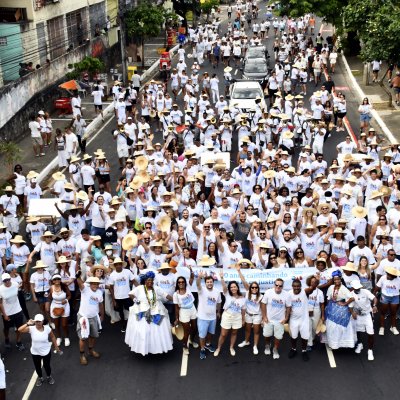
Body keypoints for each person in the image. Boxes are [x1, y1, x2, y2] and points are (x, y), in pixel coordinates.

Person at [125, 271, 173, 355]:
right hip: (142, 310)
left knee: (157, 331)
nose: (150, 282)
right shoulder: (140, 288)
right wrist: (136, 300)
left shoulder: (156, 288)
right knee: (144, 331)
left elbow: (166, 295)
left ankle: (155, 348)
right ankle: (143, 348)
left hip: (155, 310)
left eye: (151, 280)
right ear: (145, 280)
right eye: (148, 280)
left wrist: (176, 300)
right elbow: (130, 294)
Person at [18, 314, 61, 386]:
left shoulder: (47, 328)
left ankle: (49, 376)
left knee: (47, 366)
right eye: (36, 321)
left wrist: (56, 346)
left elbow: (53, 337)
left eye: (39, 321)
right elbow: (20, 329)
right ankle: (40, 378)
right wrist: (27, 323)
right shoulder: (31, 328)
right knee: (37, 366)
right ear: (34, 321)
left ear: (42, 321)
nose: (38, 323)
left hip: (46, 351)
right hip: (35, 352)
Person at [214, 272, 245, 357]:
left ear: (237, 288)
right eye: (231, 287)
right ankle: (218, 348)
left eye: (234, 286)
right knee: (223, 334)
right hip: (227, 316)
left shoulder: (242, 298)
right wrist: (222, 278)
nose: (233, 288)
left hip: (237, 317)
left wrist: (243, 319)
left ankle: (231, 347)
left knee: (234, 333)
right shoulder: (227, 294)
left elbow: (243, 310)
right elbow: (224, 287)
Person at [75, 273, 104, 365]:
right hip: (83, 318)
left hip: (94, 317)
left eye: (97, 284)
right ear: (90, 284)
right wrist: (78, 276)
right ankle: (82, 355)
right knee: (83, 338)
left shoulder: (99, 292)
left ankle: (91, 350)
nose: (95, 285)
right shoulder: (85, 290)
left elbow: (100, 304)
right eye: (93, 283)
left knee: (93, 335)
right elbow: (80, 283)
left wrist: (102, 315)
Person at [323, 270, 356, 349]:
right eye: (335, 280)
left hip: (340, 307)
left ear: (341, 279)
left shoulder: (344, 288)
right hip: (331, 307)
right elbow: (328, 298)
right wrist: (327, 307)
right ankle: (332, 343)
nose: (336, 281)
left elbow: (352, 298)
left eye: (338, 279)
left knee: (338, 326)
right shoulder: (331, 287)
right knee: (330, 326)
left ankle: (339, 344)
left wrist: (345, 303)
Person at [261, 278, 290, 360]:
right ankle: (267, 346)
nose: (278, 287)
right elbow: (263, 304)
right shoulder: (268, 292)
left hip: (280, 320)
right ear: (274, 285)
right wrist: (264, 317)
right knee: (267, 335)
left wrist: (286, 318)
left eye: (280, 286)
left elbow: (288, 307)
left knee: (278, 337)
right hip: (269, 319)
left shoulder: (287, 295)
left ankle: (275, 349)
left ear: (282, 286)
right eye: (276, 285)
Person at [236, 266, 263, 355]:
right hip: (248, 314)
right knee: (247, 330)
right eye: (252, 287)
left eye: (256, 287)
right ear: (250, 288)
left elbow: (263, 308)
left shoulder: (261, 296)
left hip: (257, 316)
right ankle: (246, 341)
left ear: (258, 288)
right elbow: (243, 281)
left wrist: (263, 319)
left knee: (256, 331)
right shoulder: (247, 292)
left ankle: (255, 346)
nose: (254, 289)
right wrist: (239, 271)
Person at [196, 270, 221, 360]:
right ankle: (202, 349)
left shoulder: (217, 291)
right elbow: (198, 284)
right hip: (202, 317)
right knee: (202, 335)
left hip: (213, 317)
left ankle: (208, 345)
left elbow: (219, 302)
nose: (209, 283)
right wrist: (199, 277)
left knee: (211, 333)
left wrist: (218, 312)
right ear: (205, 283)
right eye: (207, 282)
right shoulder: (201, 290)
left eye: (211, 282)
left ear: (213, 282)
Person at [350, 280, 377, 361]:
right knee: (358, 331)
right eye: (356, 288)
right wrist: (352, 313)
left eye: (359, 287)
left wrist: (374, 305)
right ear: (353, 288)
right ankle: (360, 344)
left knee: (370, 333)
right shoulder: (351, 295)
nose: (358, 289)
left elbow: (374, 298)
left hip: (367, 315)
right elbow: (350, 306)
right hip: (357, 316)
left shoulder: (365, 291)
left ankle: (370, 351)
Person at [173, 270, 197, 355]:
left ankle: (191, 340)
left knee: (194, 328)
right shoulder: (176, 295)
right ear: (177, 284)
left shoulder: (188, 288)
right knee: (186, 331)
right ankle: (185, 346)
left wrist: (191, 271)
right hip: (183, 312)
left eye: (182, 282)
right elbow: (176, 308)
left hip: (193, 309)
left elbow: (192, 278)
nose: (181, 283)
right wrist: (177, 318)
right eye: (179, 282)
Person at [0, 272, 25, 350]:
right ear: (2, 281)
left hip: (18, 310)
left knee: (19, 327)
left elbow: (17, 293)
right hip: (7, 313)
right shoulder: (0, 289)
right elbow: (0, 303)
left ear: (10, 279)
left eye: (8, 280)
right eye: (5, 281)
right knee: (6, 328)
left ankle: (19, 342)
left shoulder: (15, 284)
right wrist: (4, 315)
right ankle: (7, 338)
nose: (7, 282)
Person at [287, 279, 310, 361]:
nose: (296, 288)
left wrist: (316, 280)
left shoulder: (304, 292)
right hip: (293, 319)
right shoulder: (289, 294)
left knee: (304, 337)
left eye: (298, 286)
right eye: (295, 286)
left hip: (304, 319)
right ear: (292, 286)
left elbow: (311, 288)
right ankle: (293, 349)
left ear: (300, 286)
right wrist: (286, 317)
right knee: (293, 336)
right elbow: (287, 306)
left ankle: (304, 351)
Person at [374, 266, 400, 336]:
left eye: (389, 275)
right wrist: (374, 296)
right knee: (383, 313)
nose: (387, 276)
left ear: (394, 276)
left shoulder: (398, 280)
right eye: (387, 274)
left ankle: (393, 327)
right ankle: (382, 327)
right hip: (385, 297)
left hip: (395, 297)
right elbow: (377, 287)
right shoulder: (383, 278)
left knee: (393, 313)